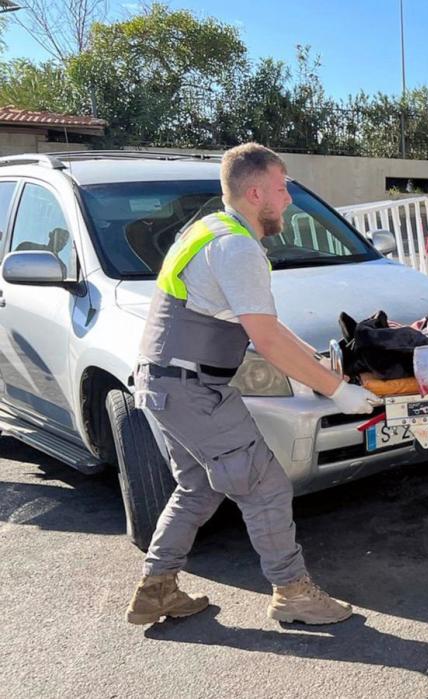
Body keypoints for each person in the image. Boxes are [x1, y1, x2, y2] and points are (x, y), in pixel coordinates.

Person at [126, 143, 379, 626]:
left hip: (165, 384)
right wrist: (337, 391)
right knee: (265, 485)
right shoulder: (237, 247)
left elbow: (267, 327)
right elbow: (263, 339)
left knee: (198, 486)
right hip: (192, 389)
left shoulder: (209, 230)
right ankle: (292, 592)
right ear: (256, 191)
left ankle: (156, 587)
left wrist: (321, 363)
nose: (288, 200)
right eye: (282, 190)